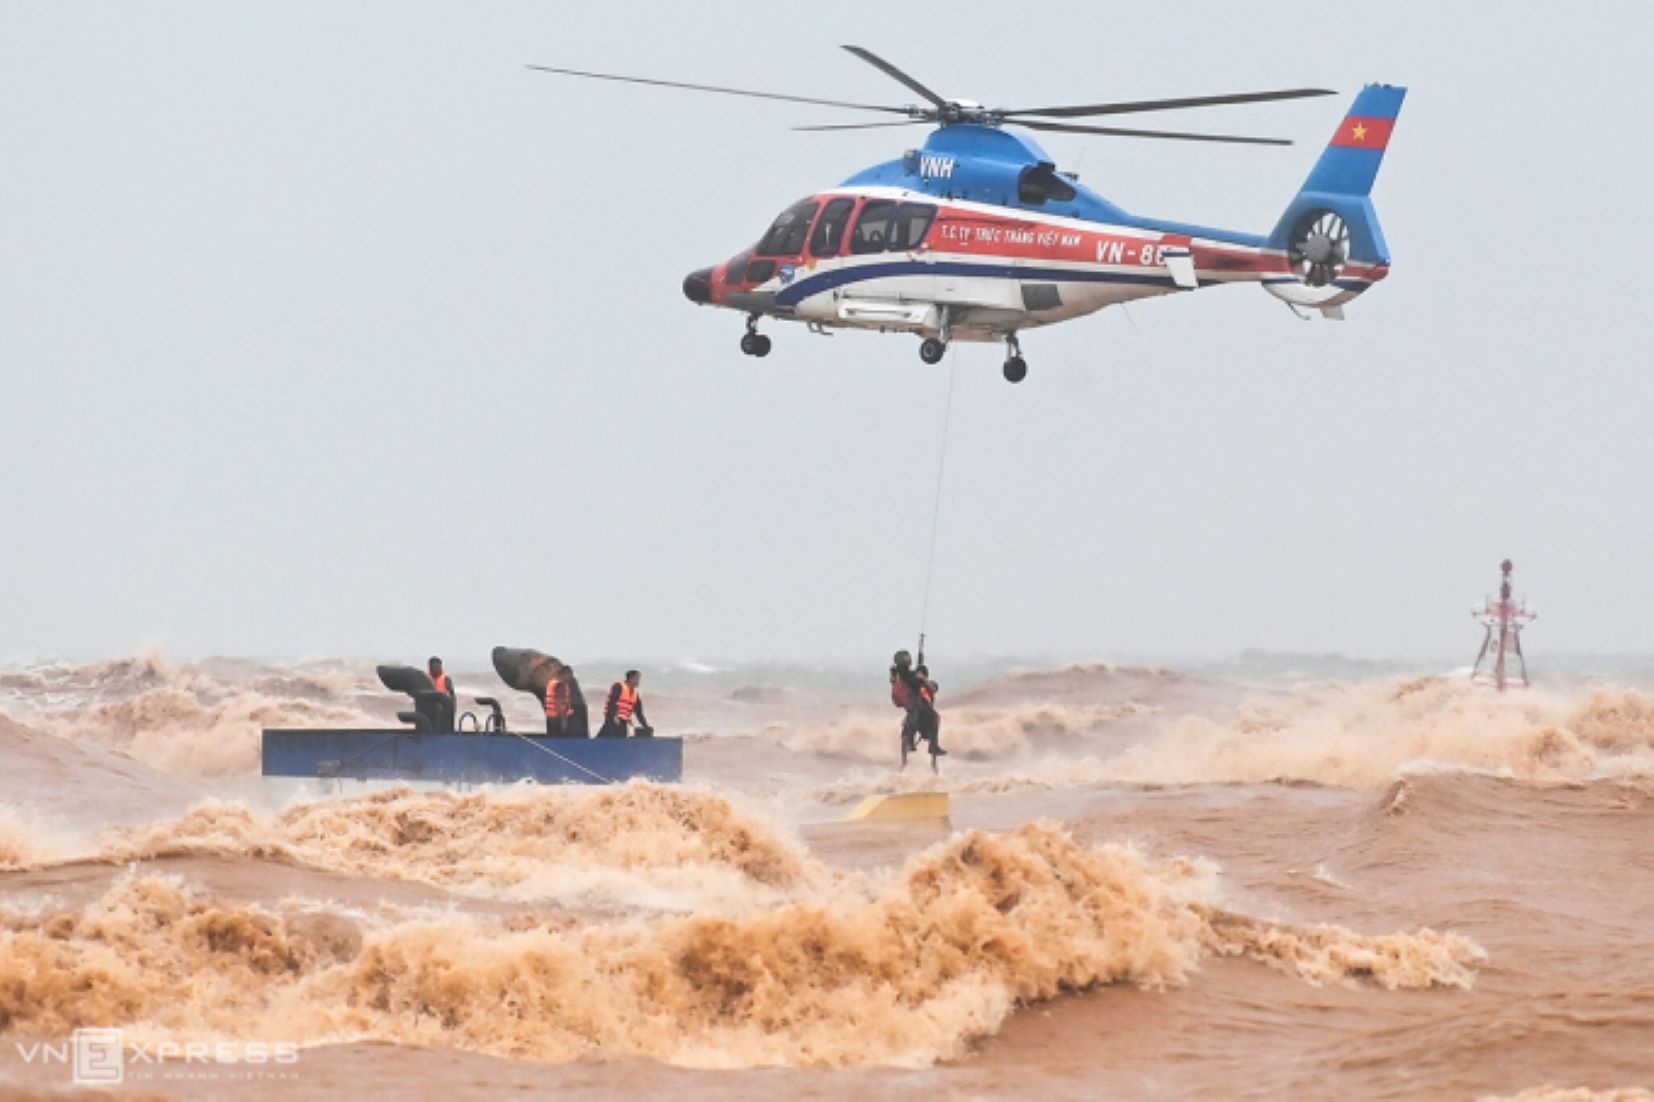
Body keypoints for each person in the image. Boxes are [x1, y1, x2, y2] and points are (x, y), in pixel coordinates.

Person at [889, 650, 945, 756]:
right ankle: (922, 743)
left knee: (933, 717)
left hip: (919, 708)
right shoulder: (905, 676)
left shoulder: (916, 679)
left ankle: (931, 745)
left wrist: (923, 679)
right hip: (915, 707)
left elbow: (933, 688)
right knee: (921, 715)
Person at [598, 669, 651, 738]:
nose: (638, 681)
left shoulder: (635, 694)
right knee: (607, 738)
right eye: (637, 678)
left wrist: (645, 726)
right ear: (631, 678)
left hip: (623, 721)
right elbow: (612, 702)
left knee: (621, 738)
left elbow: (639, 712)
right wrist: (614, 716)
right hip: (613, 719)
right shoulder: (618, 686)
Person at [426, 656, 456, 733]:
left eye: (438, 667)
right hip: (430, 709)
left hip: (443, 709)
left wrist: (453, 709)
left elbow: (452, 695)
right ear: (429, 667)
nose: (436, 669)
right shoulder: (426, 678)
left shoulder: (446, 679)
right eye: (433, 667)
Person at [543, 667, 575, 737]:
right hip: (557, 718)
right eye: (570, 675)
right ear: (564, 674)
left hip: (550, 716)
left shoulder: (552, 682)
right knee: (559, 739)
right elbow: (559, 704)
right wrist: (564, 721)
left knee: (551, 738)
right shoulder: (561, 685)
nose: (571, 677)